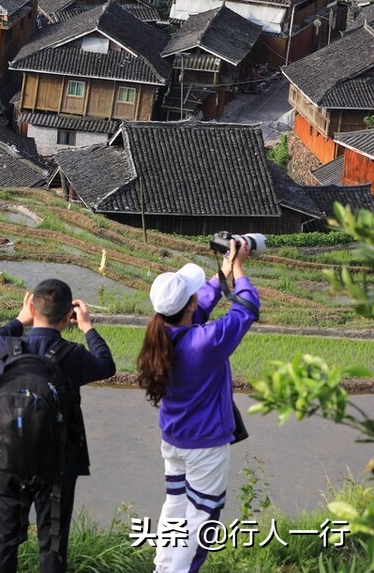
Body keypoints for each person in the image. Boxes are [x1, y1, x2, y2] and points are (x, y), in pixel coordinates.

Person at [137, 240, 259, 573]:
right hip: (205, 448)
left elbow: (198, 310)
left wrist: (223, 272)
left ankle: (163, 567)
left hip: (174, 442)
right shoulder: (204, 343)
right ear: (189, 304)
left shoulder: (160, 333)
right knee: (202, 519)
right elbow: (247, 308)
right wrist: (239, 270)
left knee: (176, 508)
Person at [0, 278, 117, 573]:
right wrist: (88, 328)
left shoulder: (7, 349)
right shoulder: (73, 355)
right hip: (57, 465)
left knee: (3, 545)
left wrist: (20, 320)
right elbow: (107, 365)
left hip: (7, 459)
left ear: (32, 308)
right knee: (52, 548)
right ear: (69, 316)